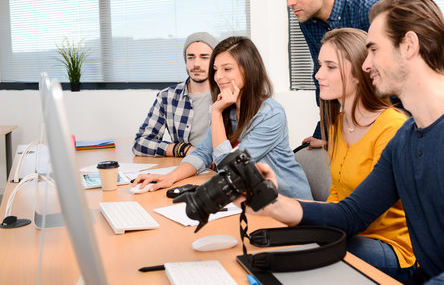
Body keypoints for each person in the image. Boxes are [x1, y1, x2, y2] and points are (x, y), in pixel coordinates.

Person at [240, 0, 444, 284]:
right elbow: (350, 214)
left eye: (373, 49)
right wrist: (272, 203)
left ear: (408, 45)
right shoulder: (406, 140)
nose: (366, 64)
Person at [284, 0, 444, 147]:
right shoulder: (308, 20)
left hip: (405, 120)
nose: (290, 1)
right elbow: (323, 81)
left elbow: (442, 73)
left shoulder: (368, 6)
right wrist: (325, 132)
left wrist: (413, 128)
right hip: (371, 119)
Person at [135, 36, 313, 200]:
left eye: (227, 69)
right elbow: (202, 153)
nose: (218, 76)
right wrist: (169, 177)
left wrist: (216, 113)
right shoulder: (230, 108)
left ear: (249, 70)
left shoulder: (271, 113)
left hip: (288, 202)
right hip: (254, 199)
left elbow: (230, 168)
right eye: (215, 69)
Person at [316, 27, 414, 281]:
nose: (318, 75)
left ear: (361, 73)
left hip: (393, 247)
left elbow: (367, 213)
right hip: (351, 232)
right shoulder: (337, 124)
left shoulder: (392, 127)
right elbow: (337, 193)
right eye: (320, 66)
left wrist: (308, 219)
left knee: (316, 249)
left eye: (330, 67)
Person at [132, 32, 218, 157]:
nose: (196, 64)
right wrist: (183, 149)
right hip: (184, 168)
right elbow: (140, 143)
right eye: (191, 57)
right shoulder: (167, 97)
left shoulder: (226, 96)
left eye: (204, 57)